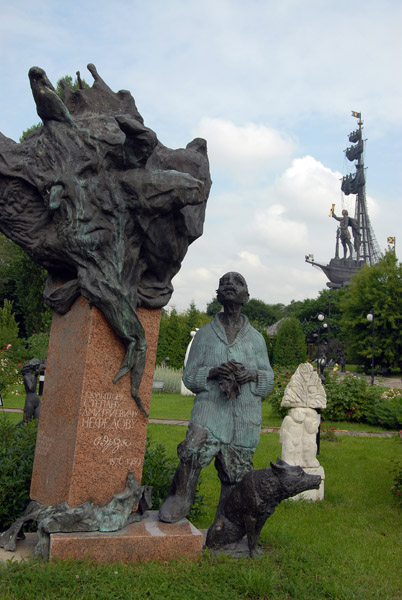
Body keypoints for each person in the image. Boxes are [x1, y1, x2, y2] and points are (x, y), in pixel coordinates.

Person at [158, 272, 274, 524]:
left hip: (244, 416)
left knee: (236, 468)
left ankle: (227, 521)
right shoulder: (204, 335)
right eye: (224, 283)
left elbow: (269, 379)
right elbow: (189, 377)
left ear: (247, 296)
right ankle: (180, 497)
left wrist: (251, 374)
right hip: (209, 410)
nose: (230, 285)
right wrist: (212, 372)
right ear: (218, 295)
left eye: (237, 282)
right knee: (193, 448)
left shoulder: (256, 339)